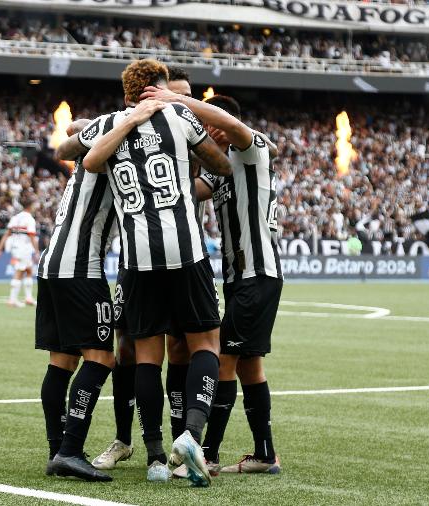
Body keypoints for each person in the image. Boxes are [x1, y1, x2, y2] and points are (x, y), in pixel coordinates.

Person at [81, 58, 231, 486]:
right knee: (205, 343)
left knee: (146, 354)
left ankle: (155, 457)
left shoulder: (109, 124)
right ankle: (192, 435)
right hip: (184, 248)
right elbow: (220, 164)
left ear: (127, 92)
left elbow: (85, 156)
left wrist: (121, 121)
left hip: (137, 257)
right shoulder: (180, 115)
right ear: (161, 87)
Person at [141, 89, 283, 475]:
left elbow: (234, 125)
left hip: (258, 272)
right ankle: (265, 455)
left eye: (209, 125)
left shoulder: (252, 148)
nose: (208, 132)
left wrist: (174, 99)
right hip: (241, 279)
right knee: (250, 367)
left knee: (222, 360)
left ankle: (206, 455)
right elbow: (186, 192)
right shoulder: (220, 167)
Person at [91, 65, 196, 473]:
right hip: (138, 257)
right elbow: (76, 147)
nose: (174, 100)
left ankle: (179, 442)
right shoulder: (128, 126)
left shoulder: (188, 127)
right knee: (129, 347)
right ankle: (126, 439)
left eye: (184, 96)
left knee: (182, 347)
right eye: (172, 93)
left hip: (185, 256)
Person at [36, 120, 122, 480]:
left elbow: (75, 126)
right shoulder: (112, 157)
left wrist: (98, 125)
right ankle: (70, 450)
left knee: (62, 361)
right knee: (101, 358)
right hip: (81, 268)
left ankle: (58, 449)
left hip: (52, 263)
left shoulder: (91, 150)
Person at [0, 197, 39, 307]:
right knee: (19, 271)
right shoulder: (29, 219)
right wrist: (37, 251)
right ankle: (12, 299)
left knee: (28, 270)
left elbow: (7, 234)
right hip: (24, 249)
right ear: (30, 206)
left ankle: (28, 298)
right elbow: (32, 237)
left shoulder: (15, 218)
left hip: (15, 248)